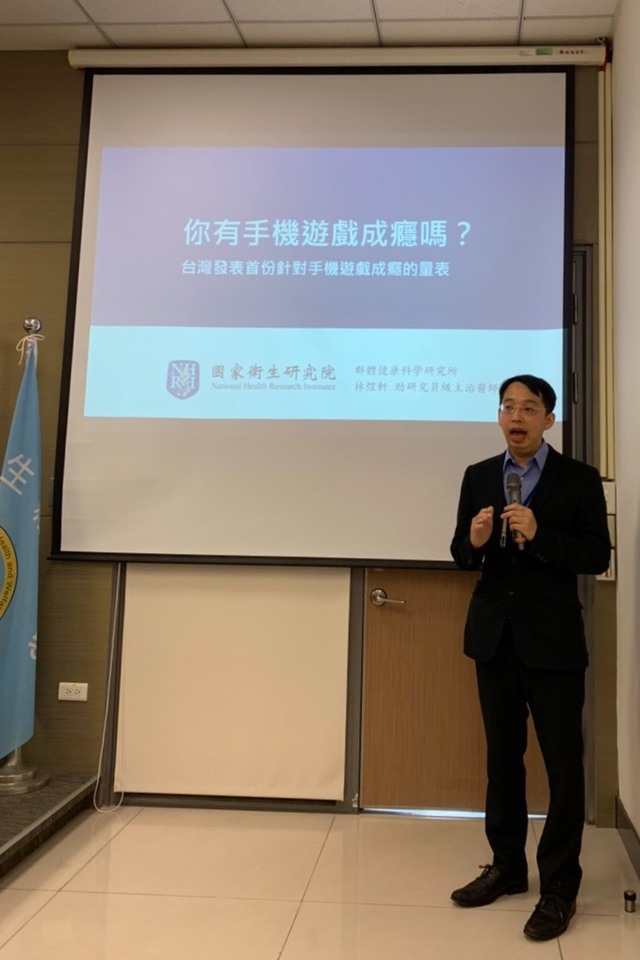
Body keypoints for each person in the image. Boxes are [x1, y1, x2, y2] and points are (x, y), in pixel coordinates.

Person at [449, 374, 611, 941]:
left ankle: (559, 885)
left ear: (548, 419)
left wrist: (540, 534)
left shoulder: (579, 479)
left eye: (529, 408)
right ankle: (507, 867)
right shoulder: (478, 476)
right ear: (500, 416)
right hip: (495, 640)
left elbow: (595, 555)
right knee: (502, 760)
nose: (516, 417)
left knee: (564, 768)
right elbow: (461, 554)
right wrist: (473, 541)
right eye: (508, 407)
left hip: (554, 644)